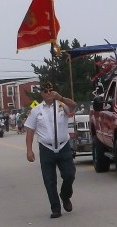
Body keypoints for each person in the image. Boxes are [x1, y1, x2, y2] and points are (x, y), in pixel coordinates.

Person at [24, 82, 78, 218]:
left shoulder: (61, 105)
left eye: (51, 90)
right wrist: (29, 150)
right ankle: (55, 208)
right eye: (45, 91)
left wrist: (61, 98)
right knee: (49, 180)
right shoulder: (36, 110)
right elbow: (30, 131)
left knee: (70, 174)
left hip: (63, 145)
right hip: (46, 148)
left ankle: (65, 196)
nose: (48, 93)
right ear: (42, 93)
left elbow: (73, 106)